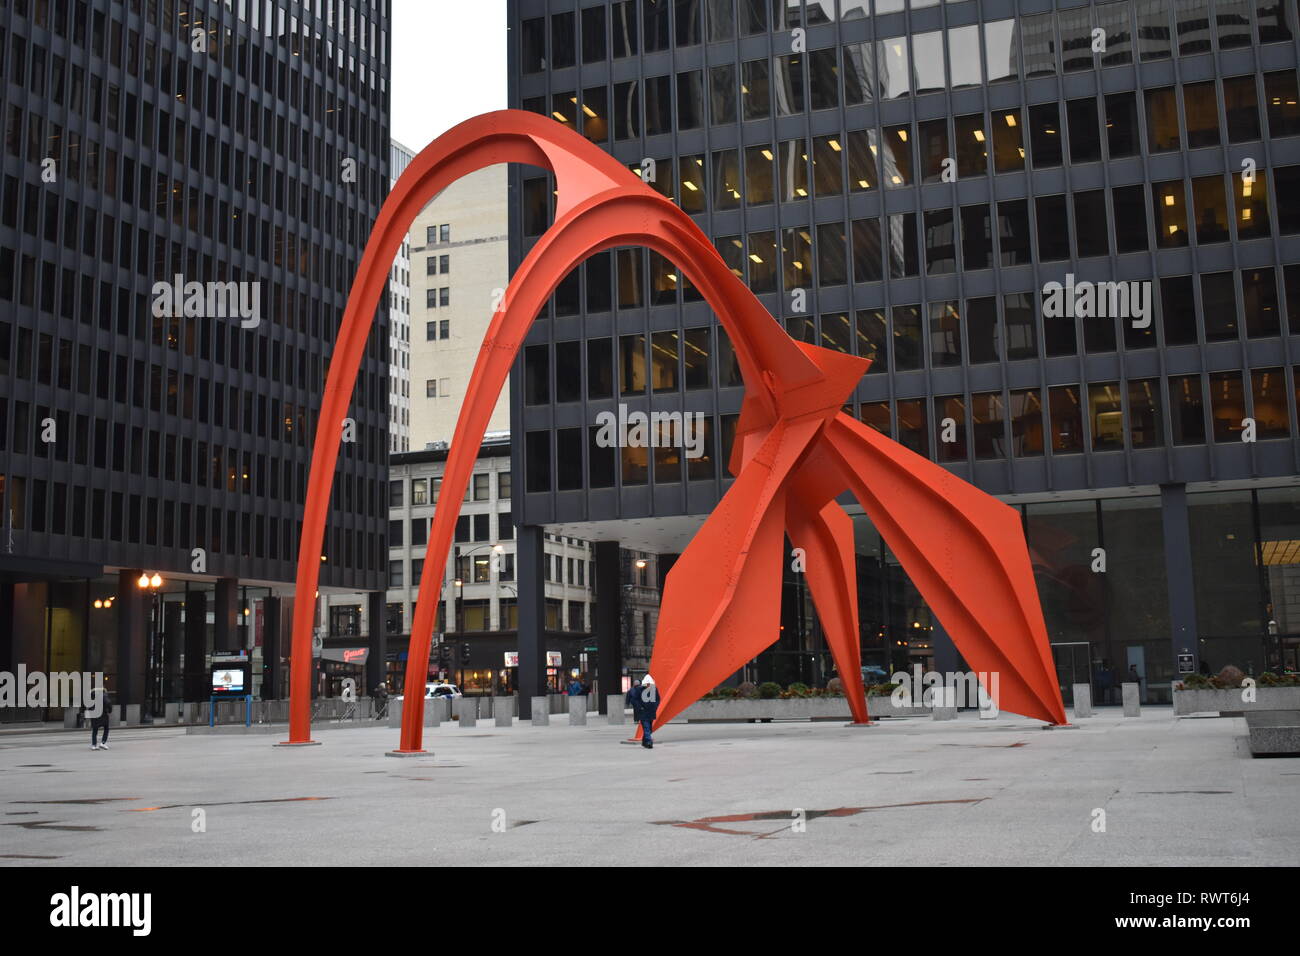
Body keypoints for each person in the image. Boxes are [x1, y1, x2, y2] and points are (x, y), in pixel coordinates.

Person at [637, 674, 660, 749]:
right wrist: (640, 707)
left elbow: (657, 699)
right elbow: (635, 700)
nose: (648, 685)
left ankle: (645, 742)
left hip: (651, 712)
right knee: (646, 727)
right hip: (643, 712)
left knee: (649, 728)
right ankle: (649, 741)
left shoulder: (654, 689)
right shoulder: (639, 690)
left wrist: (655, 707)